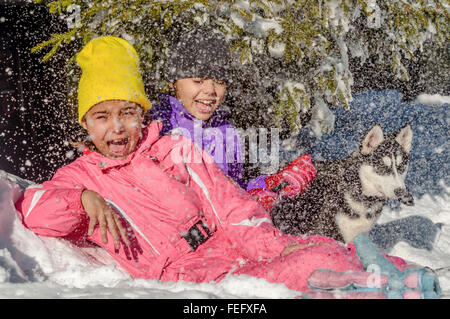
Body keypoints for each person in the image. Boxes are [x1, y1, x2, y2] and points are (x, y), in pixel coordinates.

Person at [15, 36, 436, 297]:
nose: (118, 128)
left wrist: (273, 244)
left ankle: (406, 278)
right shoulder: (81, 178)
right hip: (184, 272)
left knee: (311, 248)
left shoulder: (172, 147)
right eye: (102, 117)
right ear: (84, 123)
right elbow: (35, 210)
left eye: (127, 112)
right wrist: (83, 199)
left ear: (142, 113)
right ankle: (375, 281)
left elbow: (230, 205)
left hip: (228, 243)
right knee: (310, 265)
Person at [149, 28, 316, 211]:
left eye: (219, 82)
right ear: (173, 82)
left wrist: (269, 185)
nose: (210, 90)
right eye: (198, 80)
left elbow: (233, 191)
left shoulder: (225, 131)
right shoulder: (158, 127)